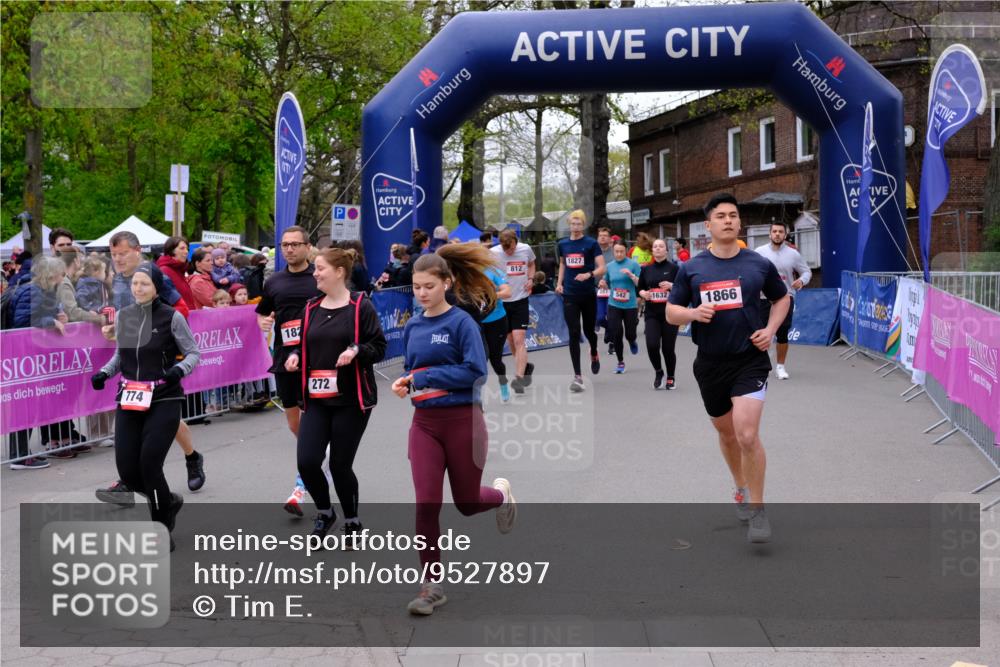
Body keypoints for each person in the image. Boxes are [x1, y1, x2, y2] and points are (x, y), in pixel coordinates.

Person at [391, 251, 516, 615]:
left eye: (429, 286)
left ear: (446, 283)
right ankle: (431, 586)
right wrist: (405, 383)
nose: (422, 293)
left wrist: (424, 377)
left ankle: (501, 496)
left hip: (463, 421)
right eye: (416, 287)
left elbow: (476, 371)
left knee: (466, 503)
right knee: (426, 504)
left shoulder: (462, 323)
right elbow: (412, 370)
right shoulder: (413, 326)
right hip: (424, 426)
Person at [666, 194, 789, 544]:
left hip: (749, 359)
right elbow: (671, 312)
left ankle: (758, 509)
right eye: (720, 216)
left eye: (733, 215)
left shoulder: (758, 264)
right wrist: (692, 314)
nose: (728, 220)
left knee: (747, 434)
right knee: (727, 434)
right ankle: (740, 486)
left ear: (740, 223)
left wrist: (771, 330)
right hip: (710, 363)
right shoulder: (692, 268)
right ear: (708, 225)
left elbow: (781, 298)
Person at [90, 264, 200, 551]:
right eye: (135, 283)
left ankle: (160, 526)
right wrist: (104, 373)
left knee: (150, 464)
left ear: (156, 287)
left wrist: (179, 370)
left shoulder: (172, 317)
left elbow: (193, 353)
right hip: (130, 397)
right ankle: (168, 501)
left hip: (164, 397)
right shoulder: (125, 316)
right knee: (128, 470)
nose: (138, 289)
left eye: (144, 284)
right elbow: (121, 356)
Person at [283, 248, 387, 542]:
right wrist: (294, 356)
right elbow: (301, 343)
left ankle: (352, 520)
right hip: (317, 399)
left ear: (339, 272)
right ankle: (326, 512)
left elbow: (379, 347)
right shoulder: (311, 307)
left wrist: (356, 350)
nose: (315, 273)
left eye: (320, 268)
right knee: (307, 462)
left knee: (340, 466)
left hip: (351, 400)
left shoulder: (360, 306)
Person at [95, 232, 205, 506]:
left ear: (137, 250)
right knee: (139, 438)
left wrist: (161, 330)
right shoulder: (118, 279)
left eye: (122, 253)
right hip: (134, 372)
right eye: (113, 254)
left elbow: (180, 307)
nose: (117, 259)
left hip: (160, 359)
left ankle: (192, 457)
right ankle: (132, 479)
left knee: (167, 423)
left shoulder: (157, 276)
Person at [256, 225, 324, 516]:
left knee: (310, 423)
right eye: (285, 245)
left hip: (317, 358)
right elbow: (263, 312)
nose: (290, 249)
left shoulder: (320, 277)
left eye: (296, 244)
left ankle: (301, 487)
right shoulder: (274, 282)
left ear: (308, 247)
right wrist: (263, 322)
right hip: (285, 359)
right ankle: (318, 455)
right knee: (295, 425)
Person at [7, 256, 73, 466]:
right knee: (24, 407)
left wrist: (57, 317)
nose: (62, 277)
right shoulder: (33, 291)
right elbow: (22, 322)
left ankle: (22, 454)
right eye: (60, 273)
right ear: (51, 274)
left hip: (30, 357)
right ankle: (20, 456)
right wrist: (51, 321)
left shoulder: (40, 290)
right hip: (24, 357)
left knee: (28, 406)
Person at [555, 209, 606, 392]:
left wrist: (589, 274)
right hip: (570, 294)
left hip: (588, 294)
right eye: (573, 223)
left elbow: (602, 267)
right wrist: (559, 283)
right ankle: (577, 376)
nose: (575, 227)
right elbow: (562, 264)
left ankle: (594, 351)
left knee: (589, 331)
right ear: (569, 225)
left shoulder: (591, 243)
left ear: (583, 225)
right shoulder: (563, 244)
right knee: (574, 333)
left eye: (579, 224)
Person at [754, 221, 812, 380]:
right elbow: (750, 270)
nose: (777, 234)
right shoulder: (759, 252)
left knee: (782, 333)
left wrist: (802, 281)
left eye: (781, 232)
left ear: (785, 235)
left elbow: (806, 272)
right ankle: (761, 364)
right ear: (769, 234)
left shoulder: (793, 254)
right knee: (760, 332)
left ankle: (780, 367)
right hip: (763, 298)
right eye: (774, 231)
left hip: (785, 298)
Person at [490, 230, 536, 395]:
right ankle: (525, 367)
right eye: (506, 250)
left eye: (512, 249)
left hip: (520, 300)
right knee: (510, 340)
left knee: (519, 339)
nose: (509, 252)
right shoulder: (493, 253)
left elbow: (531, 264)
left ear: (516, 242)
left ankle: (519, 378)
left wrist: (530, 279)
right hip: (502, 302)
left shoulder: (525, 249)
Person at [638, 238, 680, 389]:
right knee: (652, 345)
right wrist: (643, 293)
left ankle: (671, 377)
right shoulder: (646, 269)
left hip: (670, 313)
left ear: (666, 251)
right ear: (652, 251)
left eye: (661, 246)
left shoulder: (674, 268)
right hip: (652, 314)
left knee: (668, 348)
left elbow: (683, 288)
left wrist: (671, 285)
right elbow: (639, 288)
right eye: (655, 246)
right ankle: (658, 371)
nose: (657, 248)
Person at [602, 240, 641, 374]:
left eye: (621, 251)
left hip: (630, 305)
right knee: (617, 334)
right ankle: (620, 362)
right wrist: (603, 283)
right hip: (614, 305)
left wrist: (631, 275)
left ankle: (632, 341)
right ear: (613, 252)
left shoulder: (633, 265)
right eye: (616, 251)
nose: (619, 254)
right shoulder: (609, 266)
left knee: (630, 334)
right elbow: (606, 281)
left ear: (626, 251)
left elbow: (640, 284)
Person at [157, 236, 196, 310]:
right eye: (182, 248)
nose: (186, 251)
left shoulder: (180, 269)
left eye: (187, 249)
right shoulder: (165, 271)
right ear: (171, 250)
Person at [595, 227, 615, 355]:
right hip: (596, 290)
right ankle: (608, 329)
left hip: (612, 289)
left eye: (605, 235)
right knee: (599, 318)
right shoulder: (593, 252)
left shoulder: (614, 253)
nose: (602, 237)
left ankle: (612, 343)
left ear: (610, 238)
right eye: (600, 235)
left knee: (612, 317)